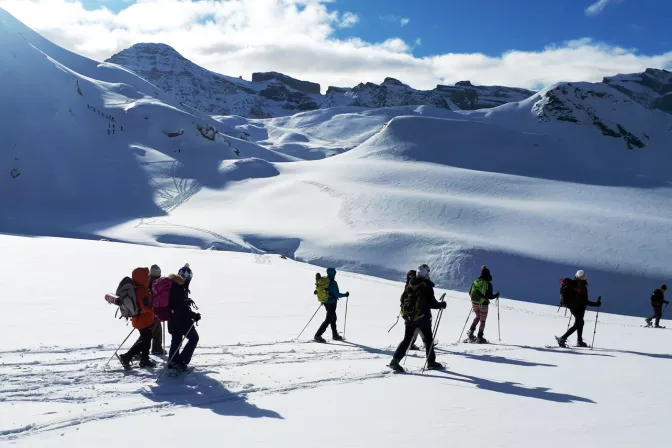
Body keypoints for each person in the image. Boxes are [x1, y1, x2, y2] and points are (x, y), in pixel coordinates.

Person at [389, 264, 446, 372]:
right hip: (423, 318)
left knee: (407, 339)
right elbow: (432, 303)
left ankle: (395, 361)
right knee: (429, 339)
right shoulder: (426, 285)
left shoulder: (411, 283)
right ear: (425, 273)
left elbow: (402, 299)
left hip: (410, 318)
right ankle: (431, 362)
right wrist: (441, 305)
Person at [118, 267, 156, 368]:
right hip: (143, 320)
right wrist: (153, 306)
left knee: (146, 339)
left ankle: (143, 358)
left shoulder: (136, 288)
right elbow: (146, 307)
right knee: (146, 340)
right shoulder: (142, 291)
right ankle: (129, 357)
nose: (148, 278)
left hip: (138, 319)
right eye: (147, 276)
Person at [556, 270, 601, 347]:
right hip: (578, 307)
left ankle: (579, 341)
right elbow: (584, 301)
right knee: (578, 323)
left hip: (573, 307)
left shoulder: (573, 283)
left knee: (580, 322)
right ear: (584, 277)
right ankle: (563, 338)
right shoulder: (580, 285)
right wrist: (596, 304)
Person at [167, 268, 201, 371]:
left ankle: (172, 361)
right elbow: (180, 308)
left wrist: (186, 301)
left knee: (176, 339)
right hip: (180, 319)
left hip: (172, 318)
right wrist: (193, 315)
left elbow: (176, 303)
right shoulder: (179, 287)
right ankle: (181, 361)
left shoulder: (173, 284)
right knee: (194, 338)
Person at [314, 267, 349, 343]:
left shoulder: (324, 281)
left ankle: (335, 334)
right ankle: (318, 335)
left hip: (326, 302)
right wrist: (345, 295)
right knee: (329, 319)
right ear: (333, 274)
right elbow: (337, 294)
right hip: (332, 303)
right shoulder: (333, 283)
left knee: (333, 318)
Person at [466, 266, 500, 344]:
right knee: (482, 320)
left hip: (474, 303)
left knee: (477, 317)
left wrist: (476, 299)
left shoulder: (475, 281)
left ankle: (470, 332)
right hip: (483, 304)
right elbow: (490, 297)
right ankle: (479, 337)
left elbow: (469, 292)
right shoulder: (488, 284)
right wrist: (497, 295)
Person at [148, 265, 165, 355]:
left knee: (152, 328)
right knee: (152, 329)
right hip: (152, 309)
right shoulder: (156, 282)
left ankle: (156, 348)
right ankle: (156, 348)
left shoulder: (147, 279)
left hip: (146, 309)